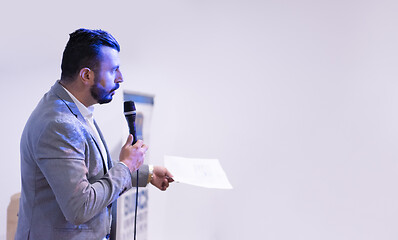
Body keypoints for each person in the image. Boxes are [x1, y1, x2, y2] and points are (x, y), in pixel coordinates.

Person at [15, 28, 174, 240]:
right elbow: (80, 207)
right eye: (113, 70)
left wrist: (148, 173)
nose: (120, 78)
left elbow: (93, 176)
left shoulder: (73, 108)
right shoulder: (59, 124)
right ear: (86, 75)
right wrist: (126, 166)